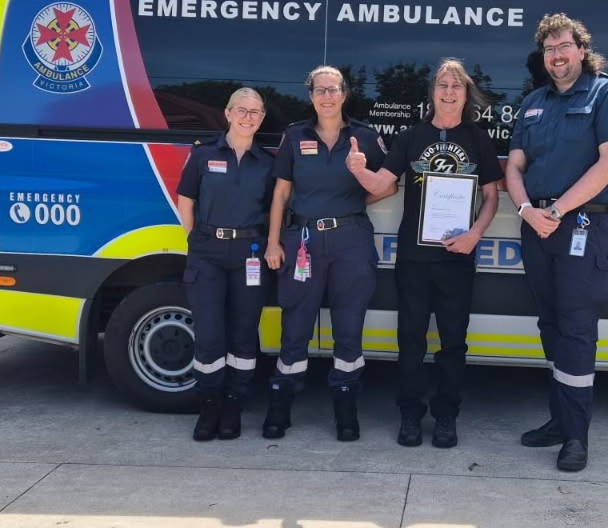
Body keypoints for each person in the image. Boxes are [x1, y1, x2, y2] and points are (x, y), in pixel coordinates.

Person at [505, 13, 608, 472]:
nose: (556, 56)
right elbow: (514, 166)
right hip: (536, 225)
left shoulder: (607, 93)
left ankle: (576, 437)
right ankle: (560, 420)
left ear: (581, 49)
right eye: (548, 50)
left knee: (577, 330)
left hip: (581, 226)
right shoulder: (534, 102)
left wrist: (556, 212)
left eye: (563, 47)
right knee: (551, 325)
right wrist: (526, 210)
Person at [346, 58, 502, 449]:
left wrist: (475, 235)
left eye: (456, 86)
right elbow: (382, 182)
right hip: (414, 259)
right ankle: (410, 416)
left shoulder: (478, 138)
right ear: (432, 93)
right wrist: (358, 169)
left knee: (453, 343)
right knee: (411, 340)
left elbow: (491, 196)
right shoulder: (410, 137)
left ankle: (446, 418)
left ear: (466, 94)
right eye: (442, 85)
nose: (449, 92)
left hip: (458, 258)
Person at [263, 65, 394, 442]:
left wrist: (352, 202)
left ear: (344, 93)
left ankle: (346, 409)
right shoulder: (294, 136)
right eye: (320, 90)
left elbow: (389, 184)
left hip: (350, 239)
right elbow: (281, 194)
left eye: (333, 89)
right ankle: (280, 406)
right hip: (302, 239)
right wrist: (274, 242)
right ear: (311, 96)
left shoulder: (365, 137)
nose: (327, 96)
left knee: (349, 329)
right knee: (296, 327)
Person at [176, 87, 274, 442]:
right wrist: (195, 240)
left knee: (244, 333)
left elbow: (274, 209)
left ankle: (233, 406)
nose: (248, 117)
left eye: (256, 112)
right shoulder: (203, 155)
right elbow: (185, 198)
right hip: (208, 253)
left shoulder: (267, 162)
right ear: (228, 113)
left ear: (262, 118)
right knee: (209, 334)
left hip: (249, 253)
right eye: (242, 110)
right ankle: (209, 407)